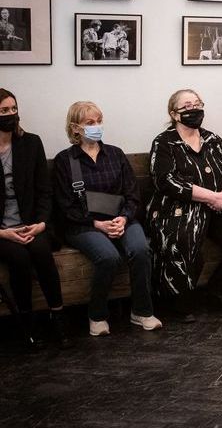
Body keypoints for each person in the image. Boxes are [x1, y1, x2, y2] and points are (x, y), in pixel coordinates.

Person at [147, 89, 222, 323]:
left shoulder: (212, 139)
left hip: (220, 203)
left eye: (197, 104)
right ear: (174, 114)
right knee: (183, 239)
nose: (194, 109)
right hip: (180, 207)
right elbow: (166, 181)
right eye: (187, 106)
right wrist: (211, 197)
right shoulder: (164, 143)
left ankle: (219, 289)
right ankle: (178, 302)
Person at [53, 101, 161, 336]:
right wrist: (96, 224)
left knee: (141, 249)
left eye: (99, 121)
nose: (97, 126)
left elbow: (132, 194)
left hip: (120, 218)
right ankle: (97, 314)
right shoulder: (65, 160)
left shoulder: (115, 154)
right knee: (108, 257)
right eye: (90, 123)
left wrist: (124, 218)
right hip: (84, 224)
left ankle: (141, 311)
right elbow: (65, 206)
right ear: (75, 128)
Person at [0, 89, 71, 349]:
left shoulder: (30, 143)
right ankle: (26, 323)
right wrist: (3, 233)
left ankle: (57, 316)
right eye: (4, 110)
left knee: (41, 252)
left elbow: (44, 190)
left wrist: (41, 223)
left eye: (13, 109)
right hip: (2, 230)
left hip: (31, 223)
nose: (10, 114)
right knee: (19, 258)